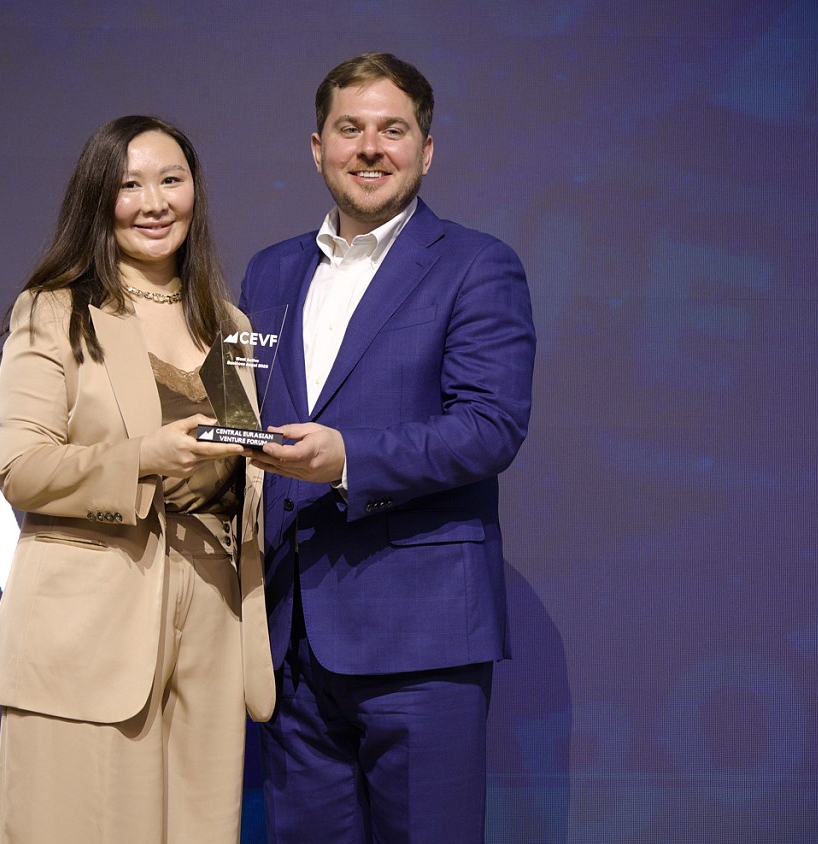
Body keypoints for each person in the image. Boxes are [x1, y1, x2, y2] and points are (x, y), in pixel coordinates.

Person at [238, 53, 536, 843]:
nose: (370, 147)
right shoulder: (269, 271)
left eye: (392, 130)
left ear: (426, 151)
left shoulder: (478, 265)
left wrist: (347, 459)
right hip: (290, 641)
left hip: (421, 639)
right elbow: (244, 415)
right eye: (350, 128)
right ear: (317, 148)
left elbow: (489, 426)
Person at [0, 115, 275, 843]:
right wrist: (144, 456)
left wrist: (260, 461)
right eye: (130, 185)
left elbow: (237, 464)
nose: (155, 203)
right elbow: (22, 469)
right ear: (98, 199)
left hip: (212, 625)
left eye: (171, 180)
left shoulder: (228, 324)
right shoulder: (55, 309)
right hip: (92, 629)